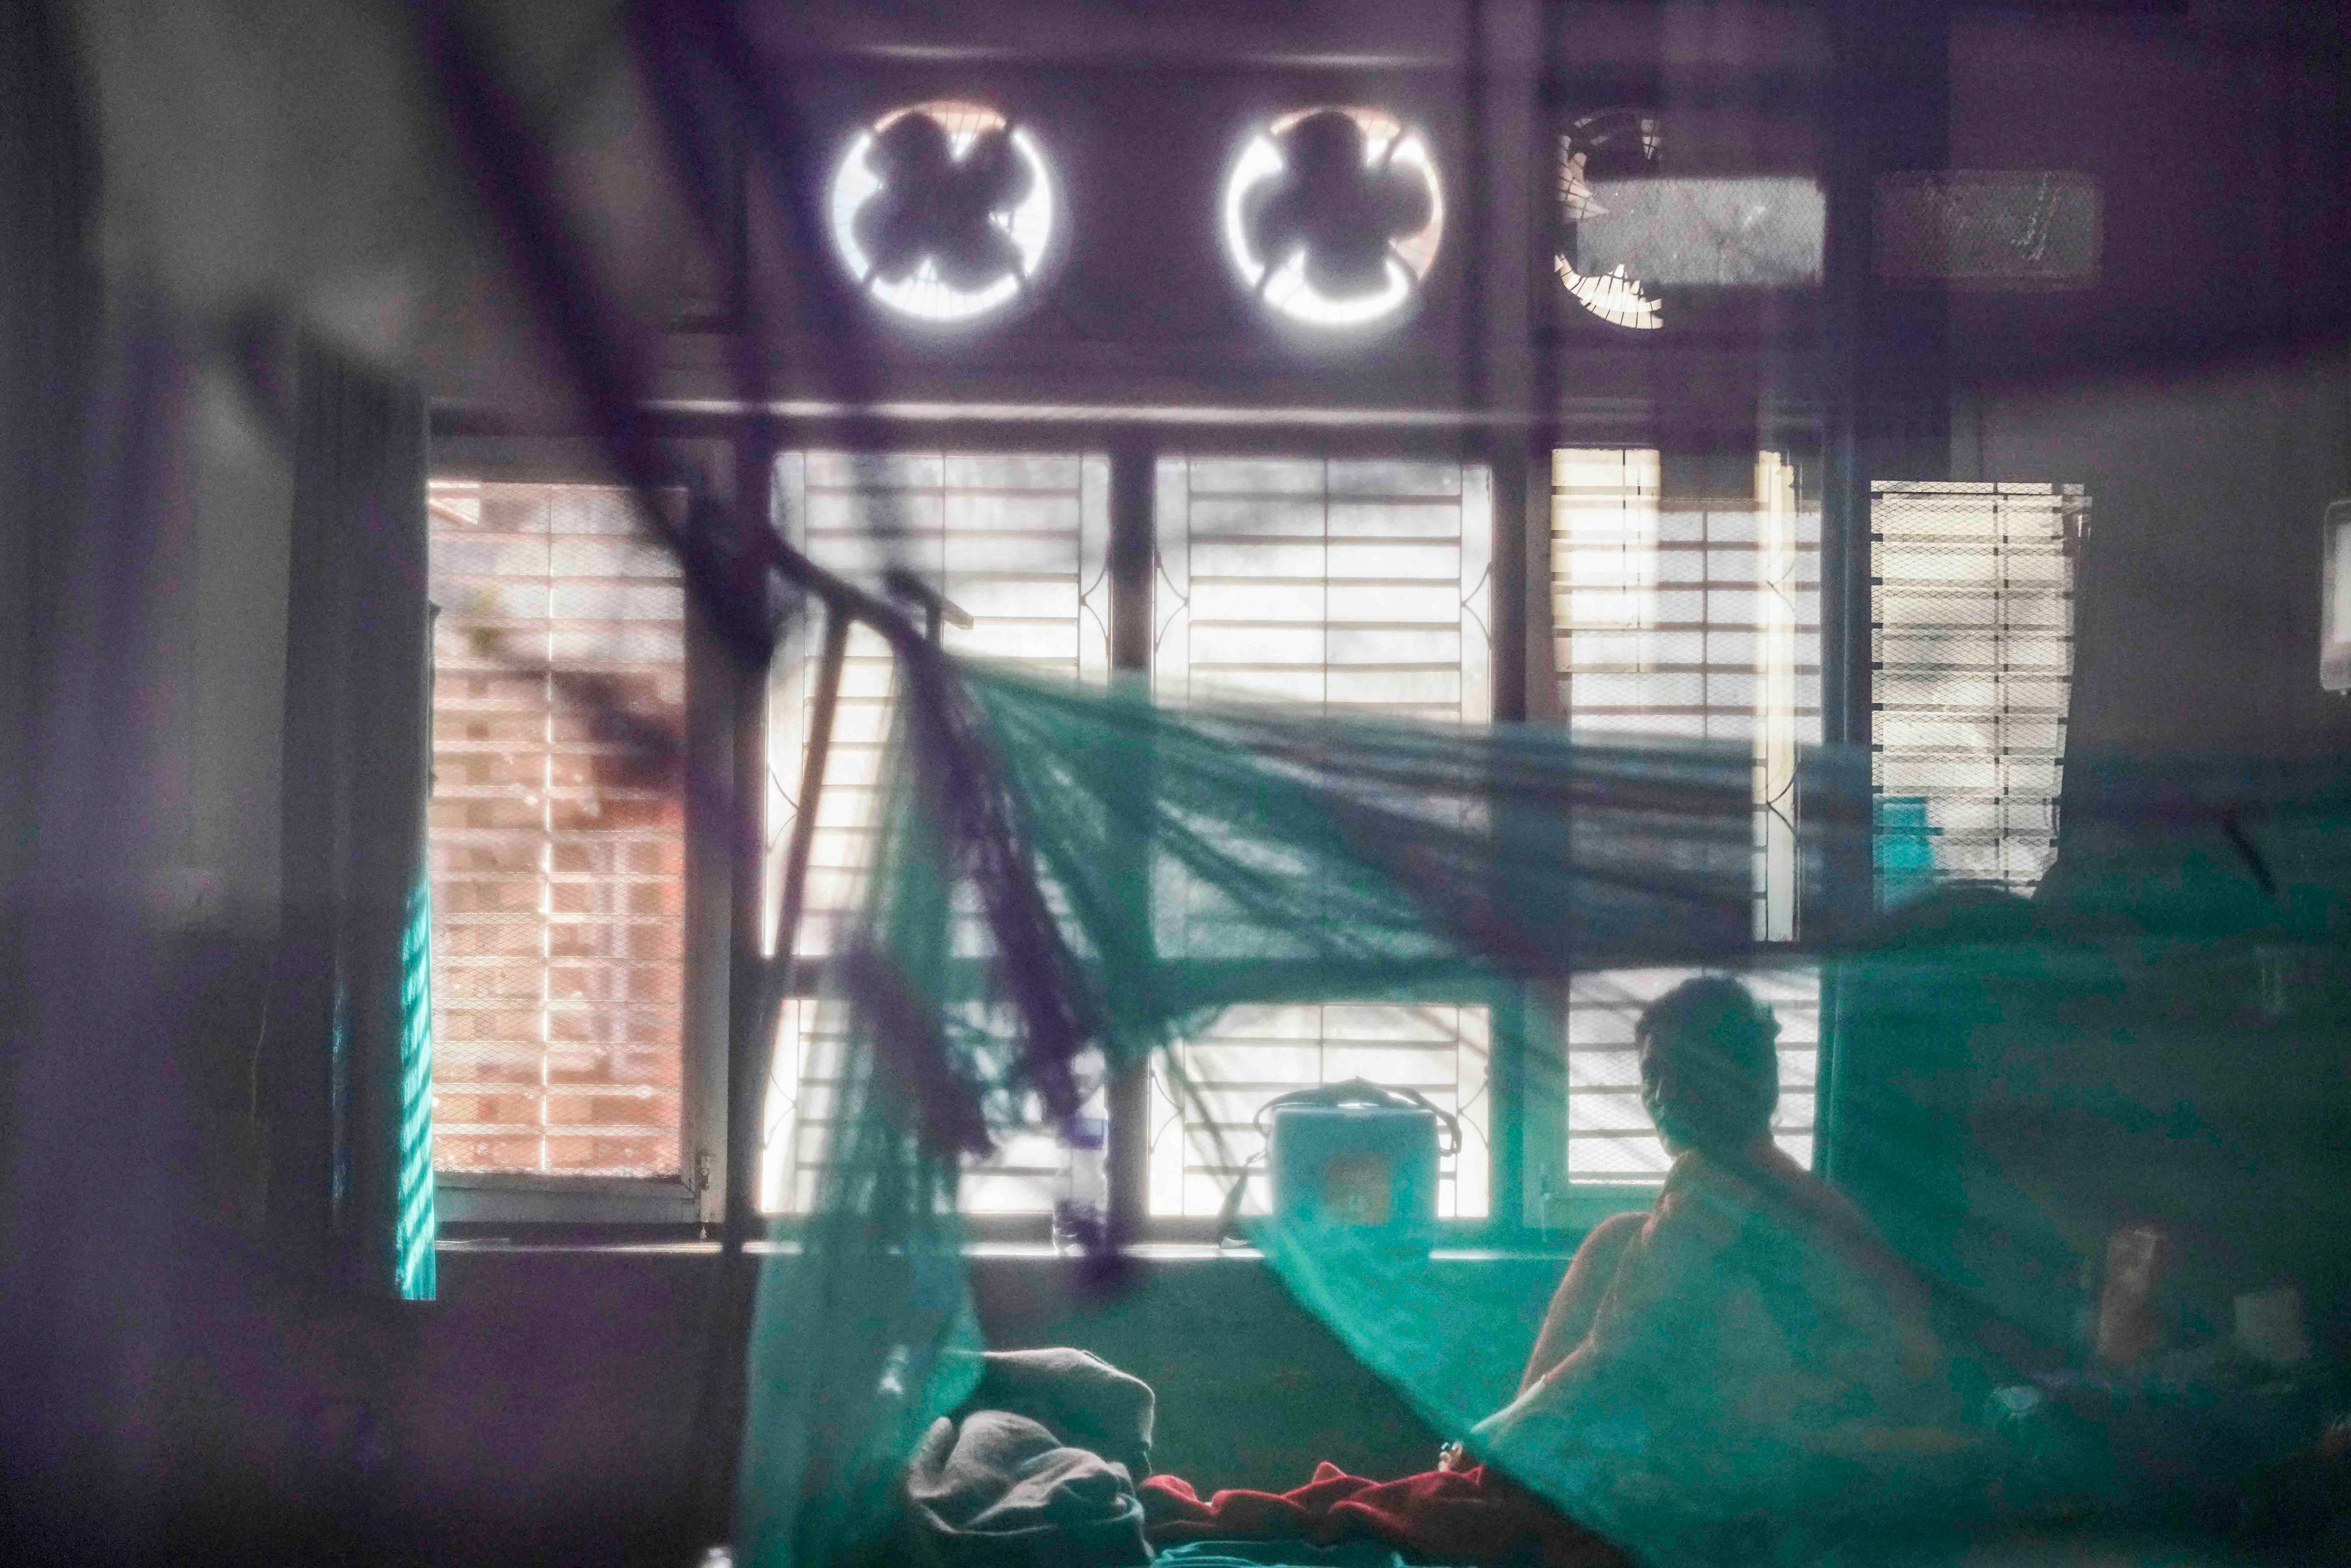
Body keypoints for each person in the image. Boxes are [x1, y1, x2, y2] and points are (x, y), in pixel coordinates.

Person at [1453, 977, 1972, 1543]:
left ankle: (1498, 1483)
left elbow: (1613, 1353)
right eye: (1652, 1074)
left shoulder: (1717, 1185)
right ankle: (1507, 1474)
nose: (1663, 1094)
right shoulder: (1768, 1181)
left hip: (1851, 1452)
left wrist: (1490, 1443)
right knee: (1621, 1238)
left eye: (1690, 1071)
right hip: (1874, 1440)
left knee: (1622, 1296)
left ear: (1754, 1084)